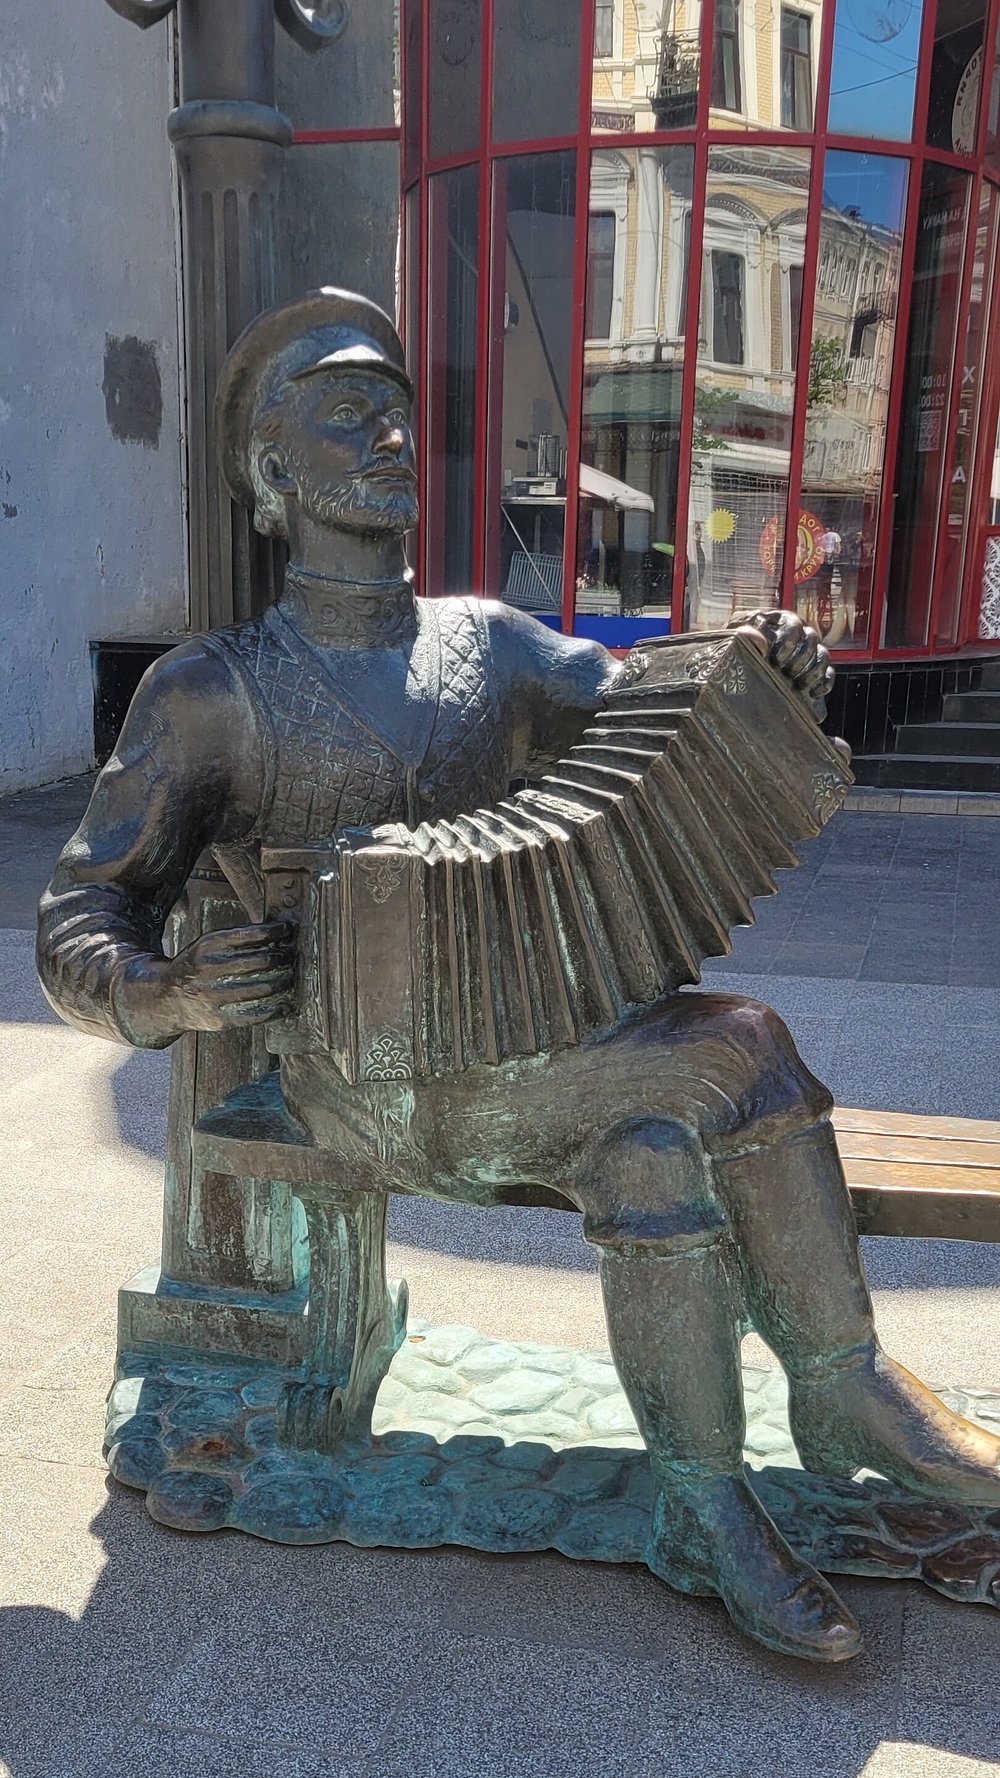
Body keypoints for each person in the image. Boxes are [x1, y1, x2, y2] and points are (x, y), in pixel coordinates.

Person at [37, 289, 1000, 1664]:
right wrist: (169, 992)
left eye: (396, 409)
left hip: (526, 1058)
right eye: (345, 410)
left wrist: (757, 663)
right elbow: (82, 907)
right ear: (270, 471)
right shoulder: (211, 692)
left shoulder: (489, 644)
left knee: (652, 1149)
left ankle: (707, 1501)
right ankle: (842, 1384)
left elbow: (652, 692)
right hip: (353, 1085)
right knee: (735, 1039)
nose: (389, 432)